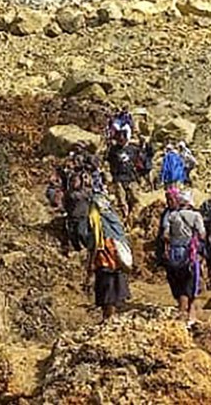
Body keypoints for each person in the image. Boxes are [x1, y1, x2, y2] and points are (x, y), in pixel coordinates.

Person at [157, 188, 205, 325]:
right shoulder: (195, 216)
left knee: (178, 280)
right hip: (189, 254)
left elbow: (165, 235)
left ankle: (184, 311)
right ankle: (187, 313)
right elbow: (202, 234)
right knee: (190, 281)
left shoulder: (171, 216)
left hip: (174, 253)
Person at [85, 193, 131, 321]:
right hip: (117, 259)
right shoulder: (113, 218)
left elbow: (95, 243)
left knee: (107, 291)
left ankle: (109, 318)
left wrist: (90, 264)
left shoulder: (96, 219)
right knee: (113, 290)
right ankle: (111, 316)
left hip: (105, 259)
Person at [105, 131, 139, 222]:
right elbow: (109, 162)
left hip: (131, 177)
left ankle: (133, 218)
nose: (120, 140)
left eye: (122, 138)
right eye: (119, 138)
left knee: (135, 198)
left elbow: (139, 160)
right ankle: (125, 218)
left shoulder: (132, 149)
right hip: (119, 178)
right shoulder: (113, 150)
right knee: (121, 200)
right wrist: (111, 175)